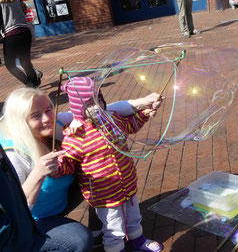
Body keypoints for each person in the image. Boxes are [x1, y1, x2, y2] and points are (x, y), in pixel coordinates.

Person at [0, 86, 161, 251]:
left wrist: (142, 104)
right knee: (79, 239)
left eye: (48, 110)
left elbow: (101, 110)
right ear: (20, 121)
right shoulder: (13, 154)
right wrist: (38, 173)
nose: (47, 118)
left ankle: (99, 232)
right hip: (34, 220)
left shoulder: (60, 122)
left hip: (66, 200)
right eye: (35, 115)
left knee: (98, 175)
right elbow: (15, 210)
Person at [56, 76, 164, 252]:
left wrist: (145, 113)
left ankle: (137, 240)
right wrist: (56, 166)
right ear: (78, 108)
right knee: (113, 227)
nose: (97, 106)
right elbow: (68, 164)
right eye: (90, 104)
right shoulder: (76, 135)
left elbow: (130, 125)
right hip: (104, 193)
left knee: (133, 216)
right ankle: (115, 249)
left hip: (127, 183)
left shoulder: (112, 117)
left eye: (99, 100)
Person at [0, 0, 40, 87]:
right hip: (24, 31)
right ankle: (35, 86)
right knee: (25, 62)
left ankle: (30, 85)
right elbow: (24, 10)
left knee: (10, 65)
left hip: (11, 34)